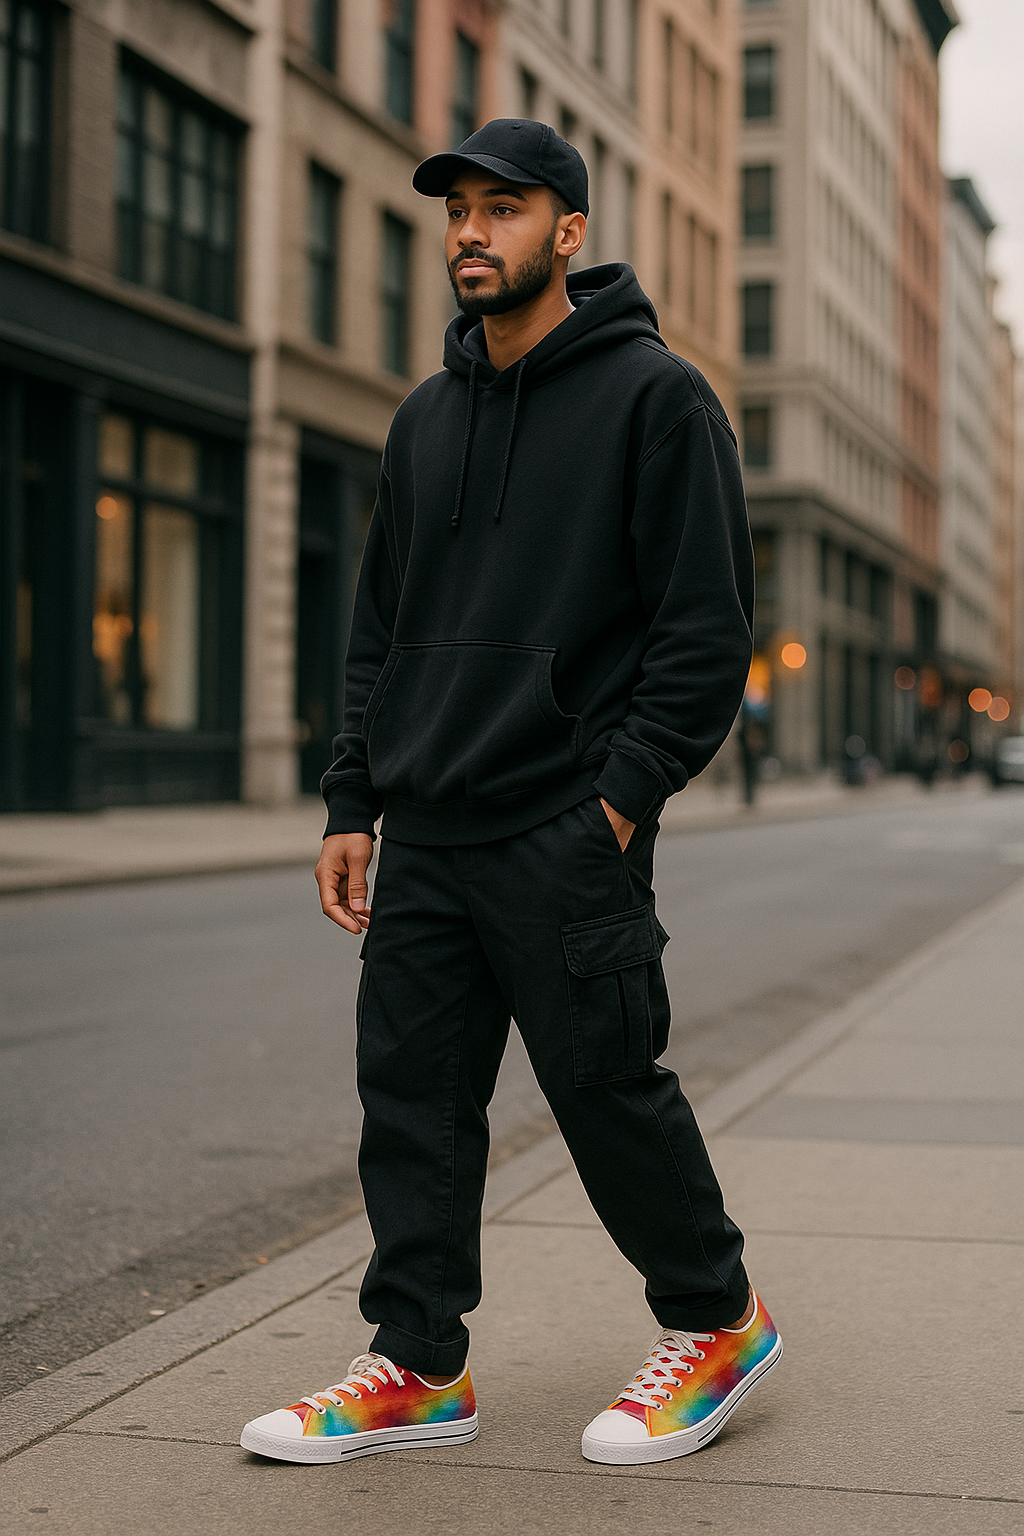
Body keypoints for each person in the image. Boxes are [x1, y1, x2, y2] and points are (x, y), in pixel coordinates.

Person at [241, 119, 781, 1469]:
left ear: (570, 230)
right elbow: (380, 626)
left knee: (605, 1087)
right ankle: (419, 1362)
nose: (473, 232)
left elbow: (705, 636)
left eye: (506, 207)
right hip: (426, 826)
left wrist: (616, 801)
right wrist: (350, 802)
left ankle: (717, 1322)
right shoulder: (427, 417)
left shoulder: (659, 400)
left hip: (562, 826)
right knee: (409, 1101)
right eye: (459, 211)